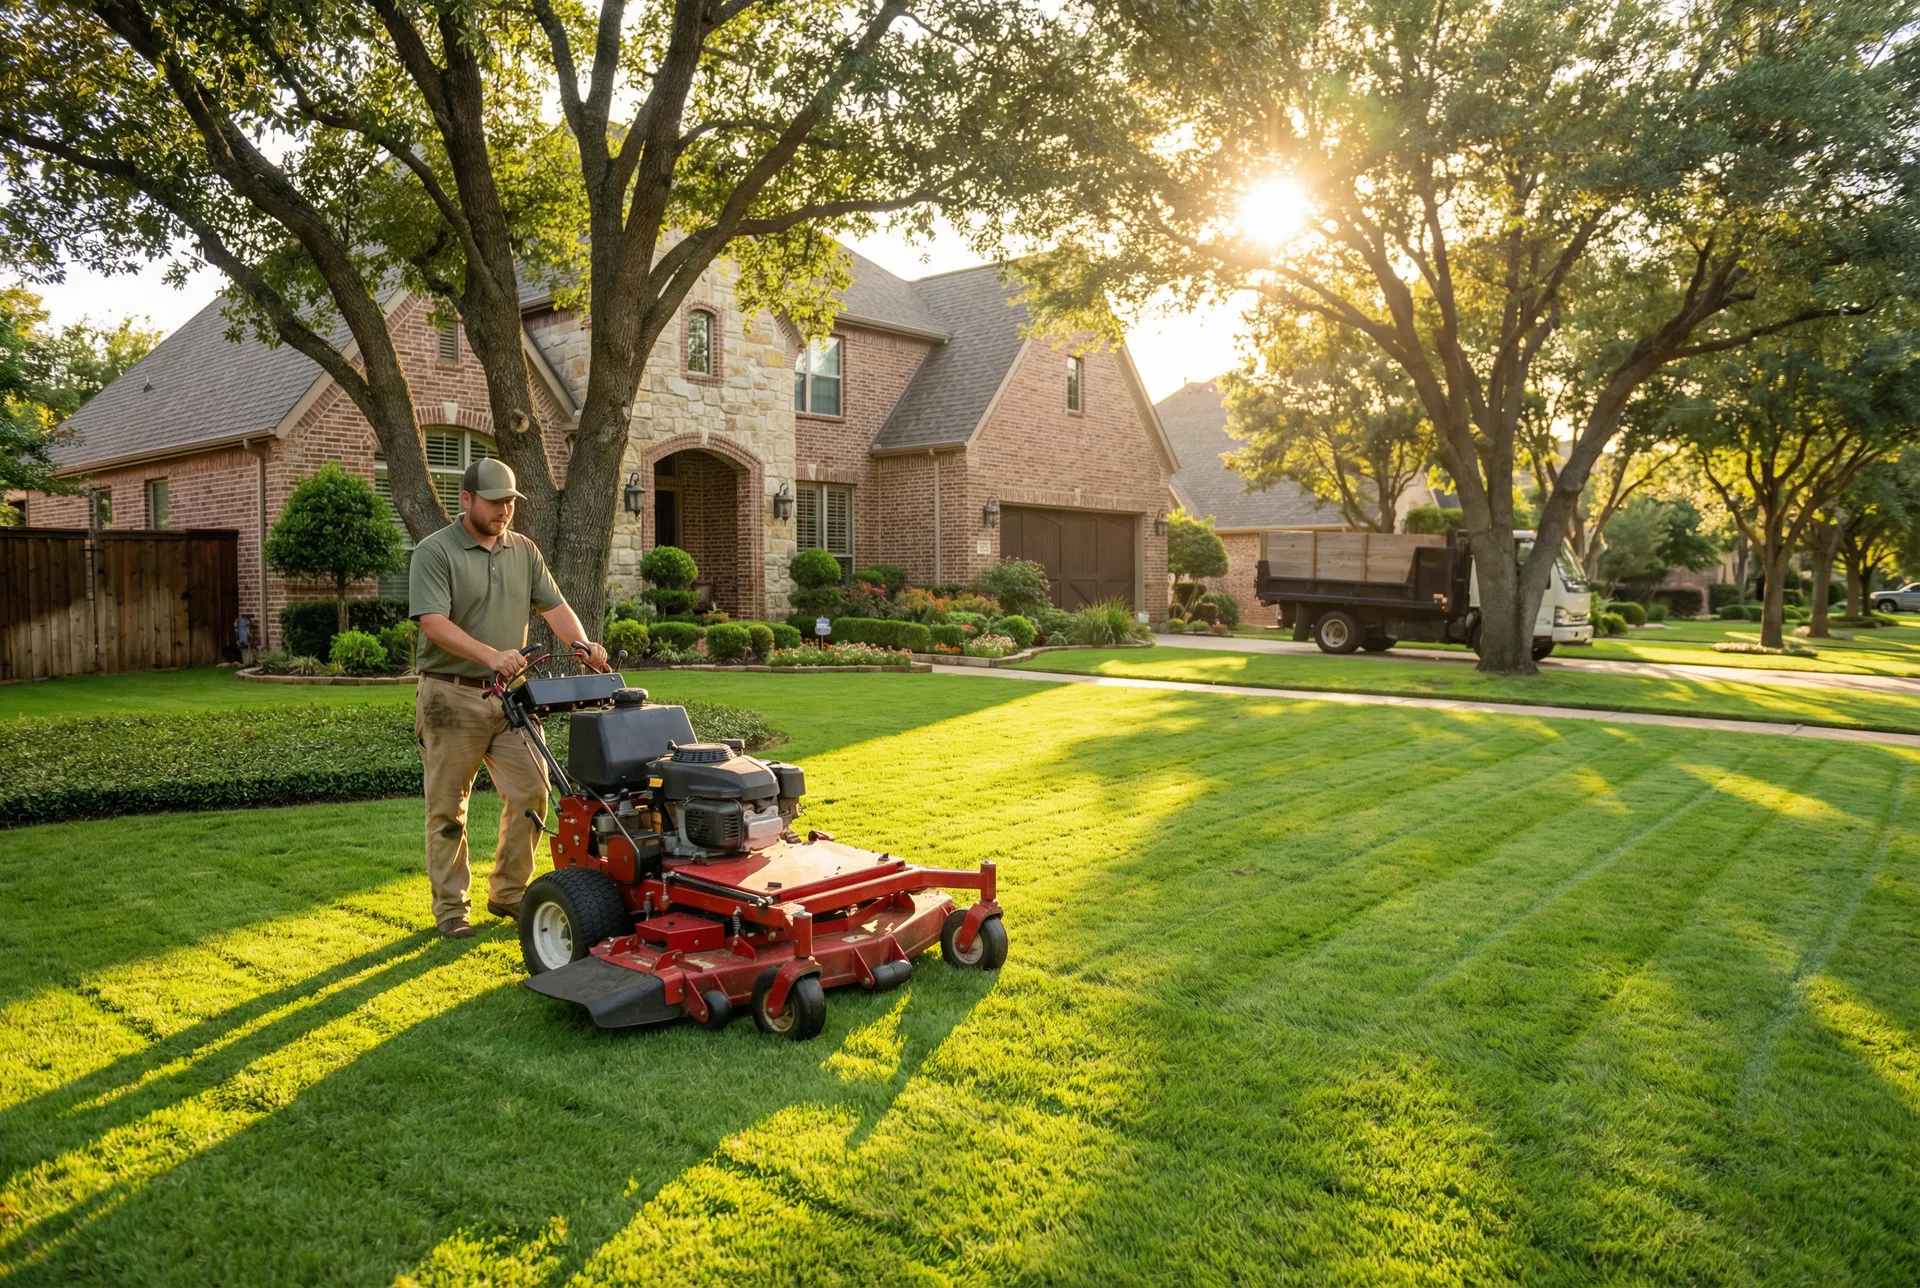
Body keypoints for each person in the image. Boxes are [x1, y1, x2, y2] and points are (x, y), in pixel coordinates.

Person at [409, 457, 608, 939]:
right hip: (450, 696)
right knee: (447, 809)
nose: (503, 512)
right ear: (467, 500)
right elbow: (433, 624)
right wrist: (490, 656)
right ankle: (452, 910)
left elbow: (556, 607)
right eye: (495, 502)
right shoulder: (435, 552)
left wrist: (581, 645)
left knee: (533, 792)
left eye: (509, 503)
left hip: (510, 700)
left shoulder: (523, 550)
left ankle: (510, 891)